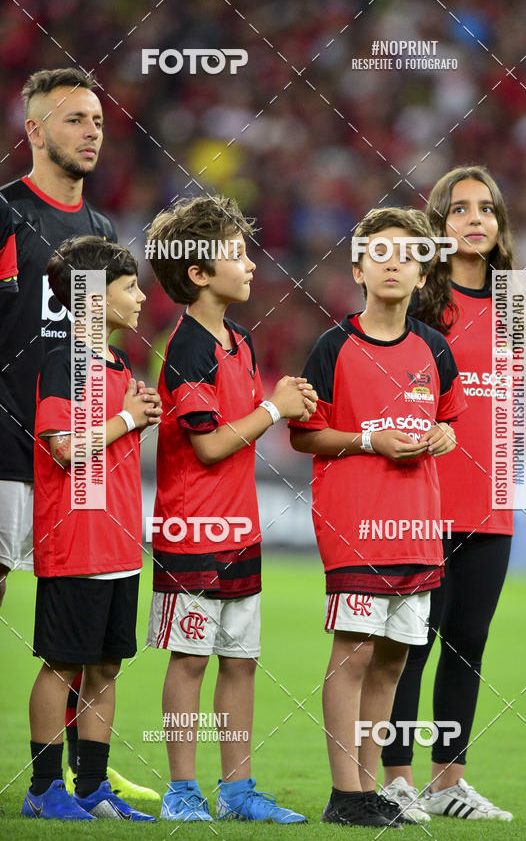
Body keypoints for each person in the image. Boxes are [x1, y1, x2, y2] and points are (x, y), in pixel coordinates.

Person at [0, 67, 159, 802]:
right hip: (8, 452)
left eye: (97, 120)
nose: (92, 131)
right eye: (73, 120)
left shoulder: (99, 233)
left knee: (82, 638)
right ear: (34, 131)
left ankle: (69, 772)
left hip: (76, 468)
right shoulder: (3, 216)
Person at [289, 207, 467, 828]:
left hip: (419, 528)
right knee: (355, 654)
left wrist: (443, 437)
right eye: (381, 253)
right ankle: (345, 793)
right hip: (354, 527)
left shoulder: (435, 349)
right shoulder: (333, 347)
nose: (394, 264)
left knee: (394, 659)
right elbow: (305, 437)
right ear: (359, 267)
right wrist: (369, 441)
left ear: (423, 275)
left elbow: (448, 420)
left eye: (409, 256)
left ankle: (370, 790)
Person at [145, 195, 316, 824]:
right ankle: (183, 791)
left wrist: (285, 404)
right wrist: (274, 410)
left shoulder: (239, 340)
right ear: (198, 274)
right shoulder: (187, 345)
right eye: (236, 254)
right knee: (190, 660)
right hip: (192, 527)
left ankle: (239, 792)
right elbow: (211, 444)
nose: (249, 264)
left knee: (241, 663)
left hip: (240, 529)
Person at [381, 165, 518, 822]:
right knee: (413, 641)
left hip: (491, 503)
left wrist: (508, 488)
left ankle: (448, 783)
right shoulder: (420, 303)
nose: (475, 220)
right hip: (425, 500)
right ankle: (398, 780)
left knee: (470, 641)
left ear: (499, 223)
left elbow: (510, 407)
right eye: (460, 209)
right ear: (438, 226)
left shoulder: (513, 302)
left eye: (486, 209)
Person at [22, 236, 162, 821]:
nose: (139, 296)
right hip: (76, 540)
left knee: (105, 667)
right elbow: (64, 449)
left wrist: (134, 419)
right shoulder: (65, 362)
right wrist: (129, 417)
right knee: (62, 663)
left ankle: (91, 787)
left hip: (120, 541)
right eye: (128, 286)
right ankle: (43, 790)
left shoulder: (116, 363)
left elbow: (106, 443)